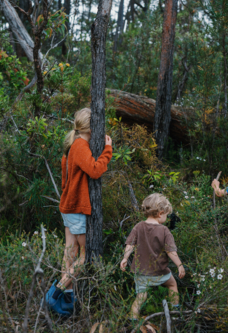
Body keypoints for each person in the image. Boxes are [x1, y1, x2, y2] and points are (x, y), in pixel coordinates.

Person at [46, 108, 113, 316]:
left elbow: (66, 178)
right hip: (75, 208)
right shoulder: (80, 145)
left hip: (68, 206)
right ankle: (55, 294)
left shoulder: (72, 145)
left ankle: (67, 298)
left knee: (70, 252)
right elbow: (94, 170)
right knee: (85, 255)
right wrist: (108, 150)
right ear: (91, 127)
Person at [120, 193, 185, 322]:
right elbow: (171, 251)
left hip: (141, 272)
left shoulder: (138, 226)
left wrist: (125, 258)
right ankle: (175, 312)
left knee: (140, 297)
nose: (166, 218)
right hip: (159, 272)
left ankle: (132, 320)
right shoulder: (164, 230)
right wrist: (179, 265)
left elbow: (129, 244)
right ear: (160, 213)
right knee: (172, 284)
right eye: (166, 215)